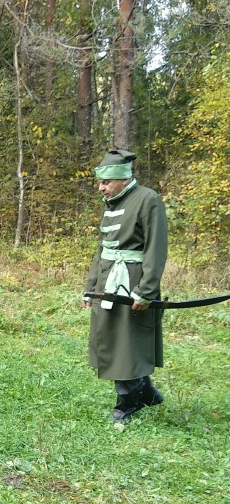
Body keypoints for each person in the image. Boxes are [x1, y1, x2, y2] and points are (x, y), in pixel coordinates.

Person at [83, 147, 168, 424]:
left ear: (121, 178)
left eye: (105, 182)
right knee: (113, 338)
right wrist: (91, 285)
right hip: (108, 280)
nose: (101, 188)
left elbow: (156, 249)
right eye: (100, 182)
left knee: (126, 340)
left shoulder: (148, 200)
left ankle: (128, 400)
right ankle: (147, 392)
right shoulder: (112, 203)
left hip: (131, 282)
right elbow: (102, 249)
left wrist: (145, 290)